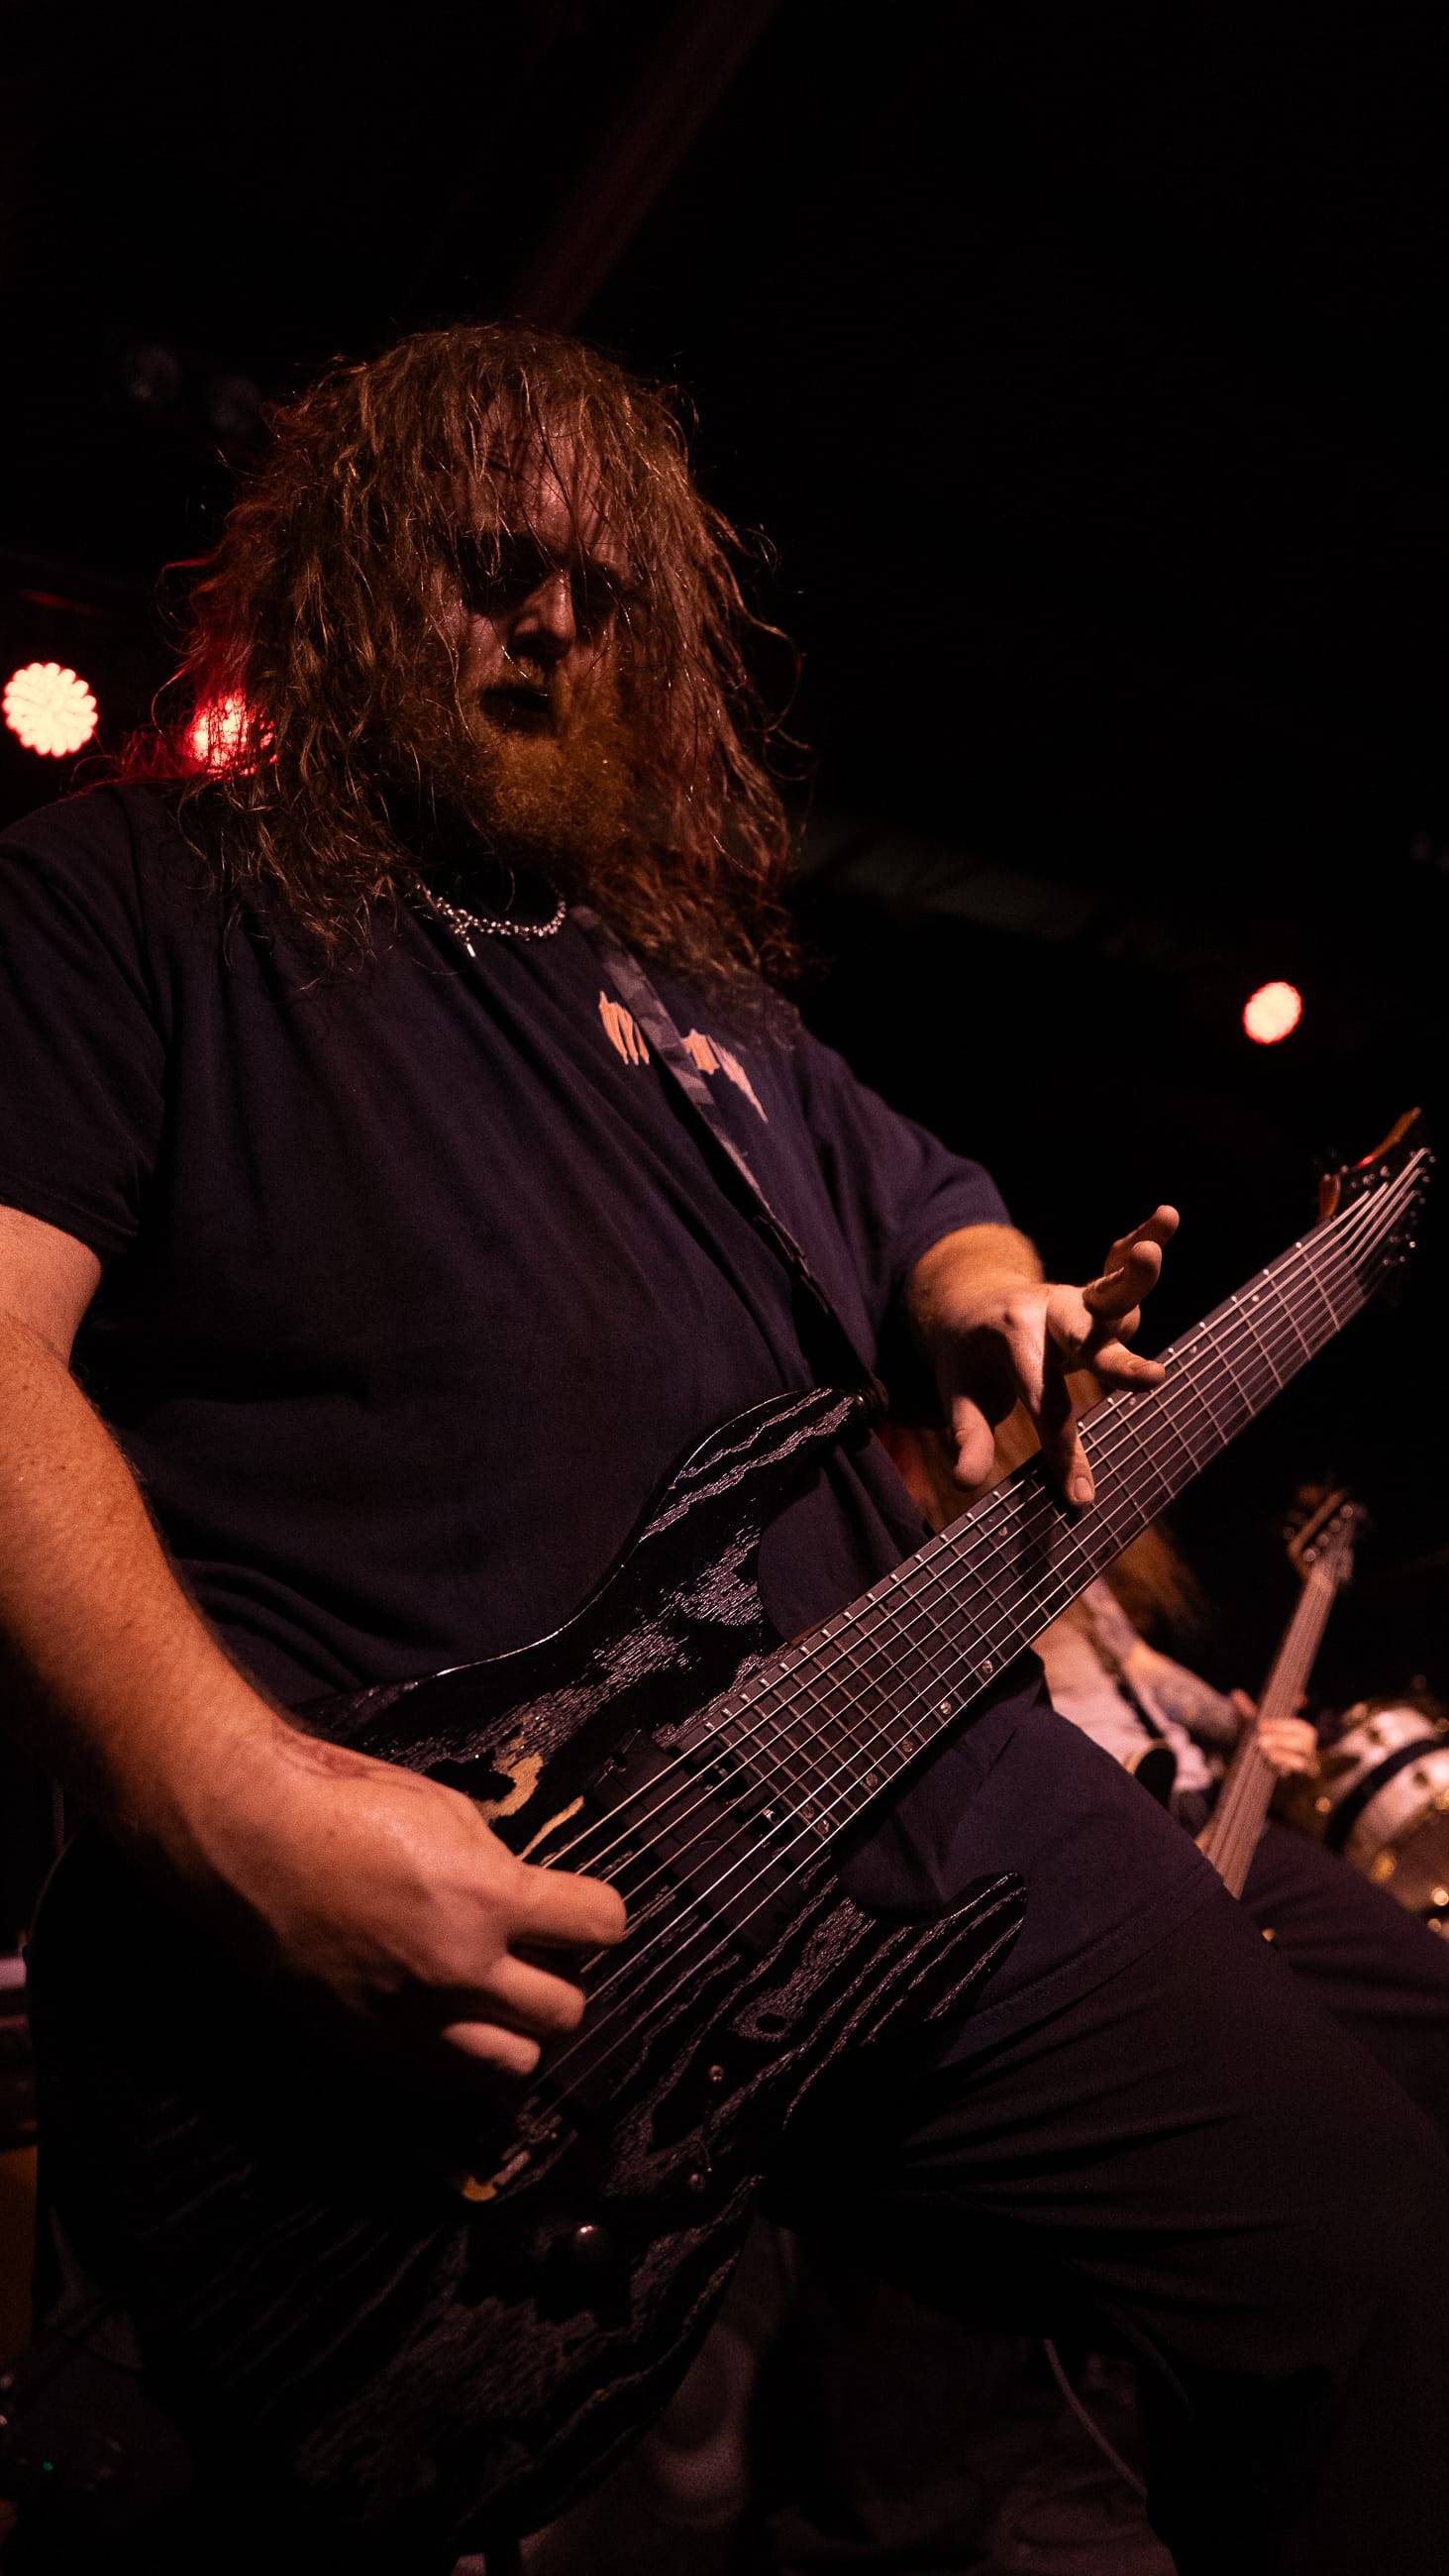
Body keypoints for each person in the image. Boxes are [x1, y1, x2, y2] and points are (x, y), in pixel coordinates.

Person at [0, 325, 1445, 2576]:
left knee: (1384, 2282)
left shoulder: (701, 1007)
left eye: (603, 591)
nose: (551, 624)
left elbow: (939, 1212)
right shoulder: (129, 897)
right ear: (353, 575)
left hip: (922, 1796)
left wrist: (1002, 1305)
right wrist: (229, 1803)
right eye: (492, 565)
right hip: (464, 1922)